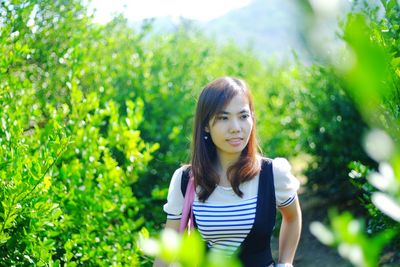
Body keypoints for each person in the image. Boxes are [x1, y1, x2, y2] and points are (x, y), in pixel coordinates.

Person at [153, 77, 301, 267]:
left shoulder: (273, 173)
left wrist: (285, 263)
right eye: (223, 118)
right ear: (206, 125)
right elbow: (168, 247)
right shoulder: (186, 179)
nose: (235, 128)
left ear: (252, 119)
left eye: (243, 116)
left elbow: (293, 216)